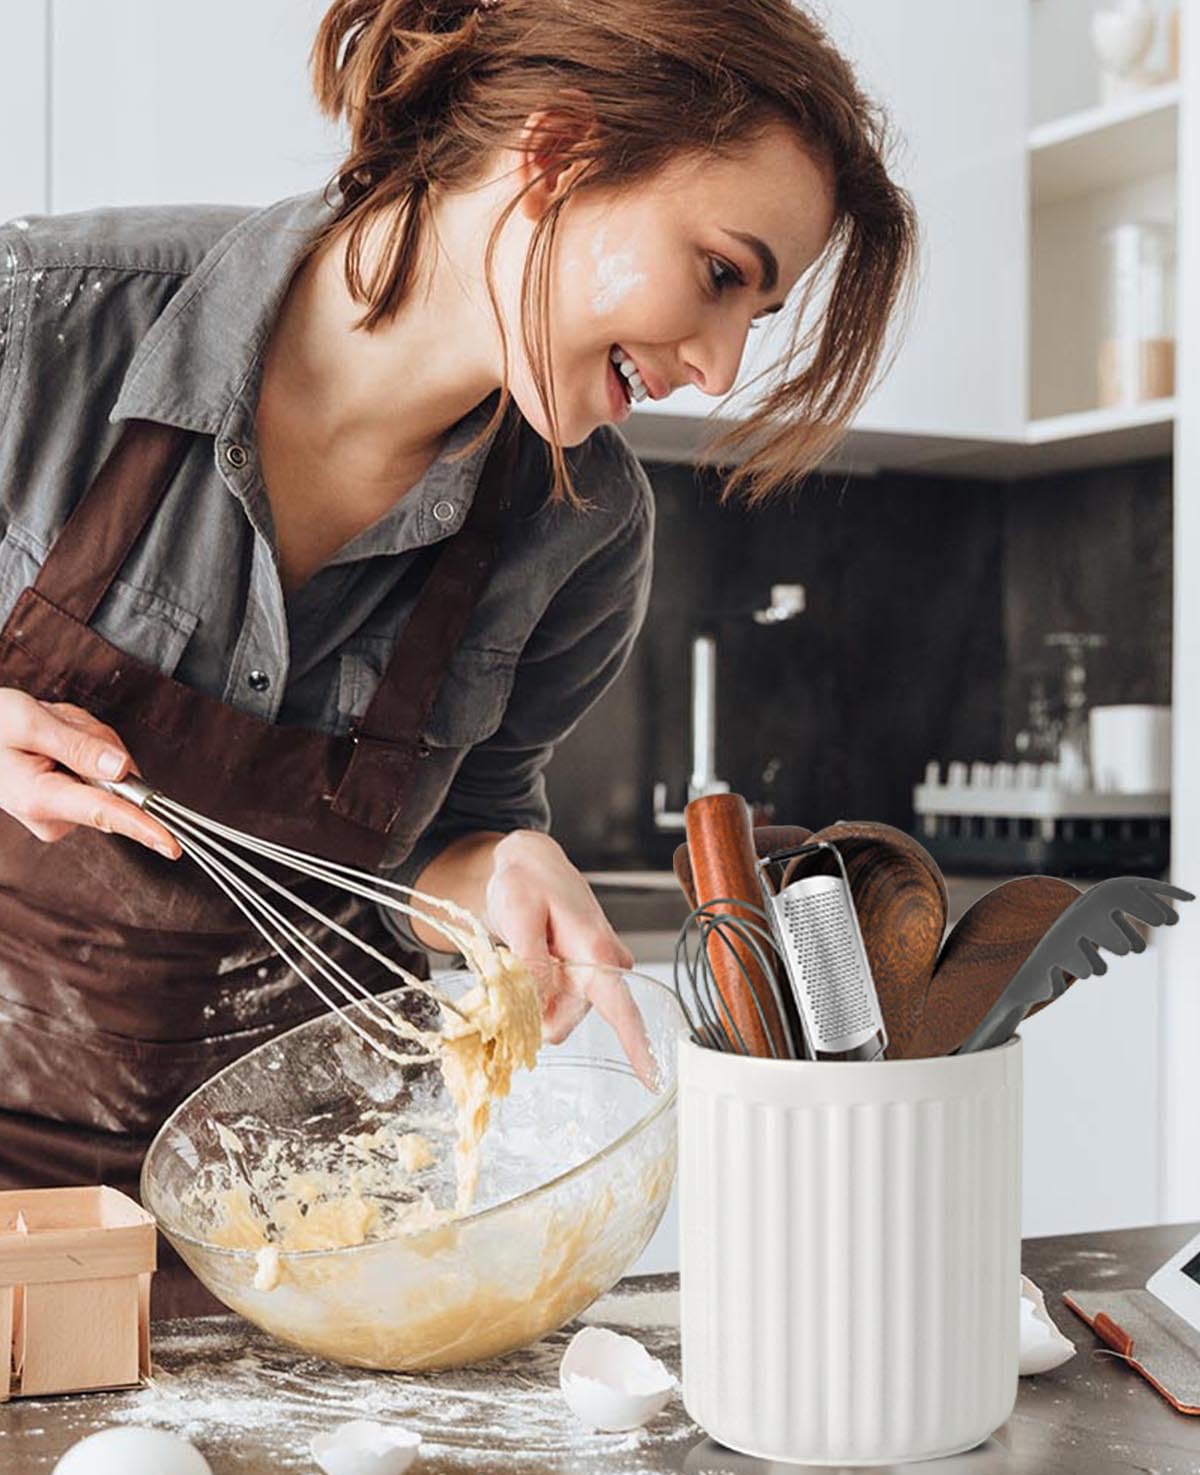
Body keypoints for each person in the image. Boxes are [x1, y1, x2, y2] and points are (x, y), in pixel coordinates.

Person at [0, 0, 915, 1310]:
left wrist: (497, 875)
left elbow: (450, 836)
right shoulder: (40, 332)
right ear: (555, 156)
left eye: (754, 314)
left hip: (320, 1241)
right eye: (720, 272)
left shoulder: (581, 533)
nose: (716, 366)